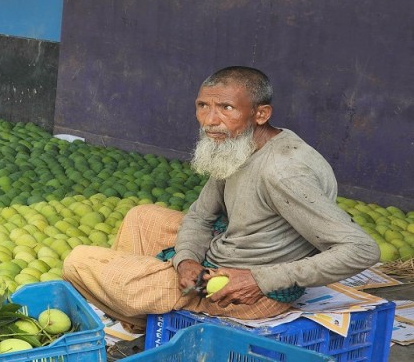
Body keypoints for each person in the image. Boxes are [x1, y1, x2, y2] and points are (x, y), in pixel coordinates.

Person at [62, 66, 380, 339]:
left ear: (261, 113)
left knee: (78, 261)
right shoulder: (239, 144)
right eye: (203, 106)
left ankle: (154, 309)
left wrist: (260, 279)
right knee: (142, 217)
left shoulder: (284, 172)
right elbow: (200, 217)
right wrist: (186, 260)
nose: (210, 120)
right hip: (225, 253)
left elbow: (362, 249)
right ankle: (147, 315)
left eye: (226, 108)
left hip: (243, 292)